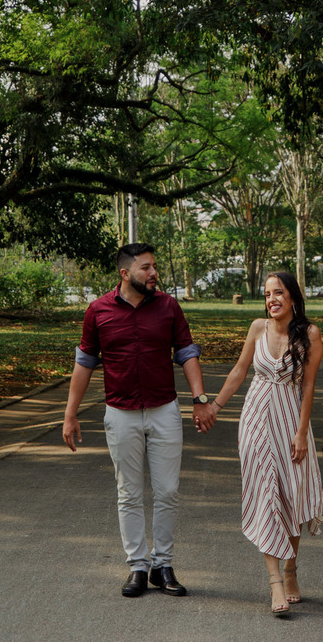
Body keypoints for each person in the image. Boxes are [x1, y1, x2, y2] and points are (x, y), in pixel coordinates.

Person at [62, 243, 217, 598]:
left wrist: (200, 400)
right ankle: (137, 566)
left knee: (167, 491)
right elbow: (84, 363)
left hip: (164, 410)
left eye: (154, 267)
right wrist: (70, 414)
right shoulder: (98, 310)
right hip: (121, 414)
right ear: (125, 273)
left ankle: (163, 566)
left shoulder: (168, 306)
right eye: (146, 267)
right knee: (128, 493)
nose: (153, 273)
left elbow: (187, 352)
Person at [201, 271, 323, 616]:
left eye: (278, 293)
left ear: (293, 297)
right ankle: (275, 582)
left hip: (291, 423)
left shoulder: (311, 334)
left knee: (291, 496)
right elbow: (239, 371)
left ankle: (291, 569)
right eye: (267, 294)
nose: (271, 299)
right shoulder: (257, 328)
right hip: (256, 421)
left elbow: (308, 386)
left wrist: (301, 432)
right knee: (266, 496)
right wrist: (214, 407)